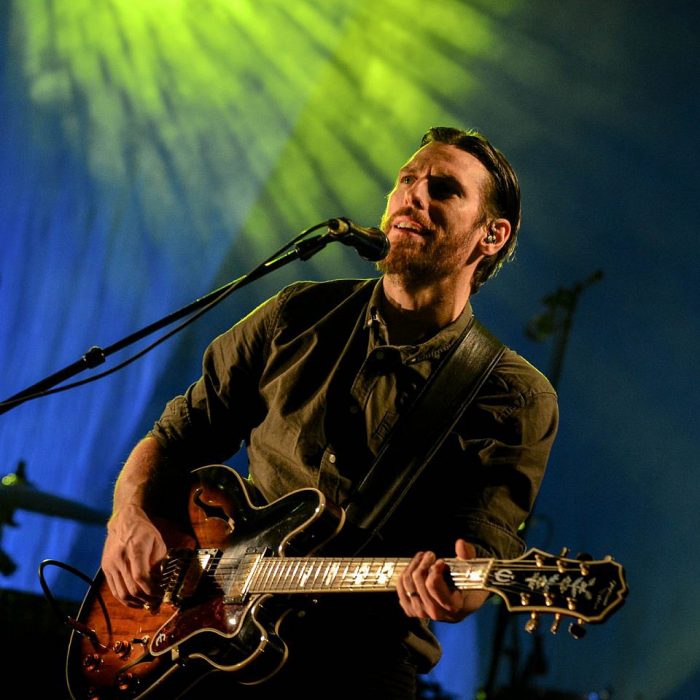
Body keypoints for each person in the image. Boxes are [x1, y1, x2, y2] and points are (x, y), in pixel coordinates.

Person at [100, 126, 559, 698]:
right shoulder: (296, 315)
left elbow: (478, 557)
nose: (412, 196)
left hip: (360, 663)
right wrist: (128, 515)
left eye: (443, 189)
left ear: (491, 235)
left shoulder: (512, 395)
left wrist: (457, 589)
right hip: (209, 637)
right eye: (406, 180)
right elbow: (175, 438)